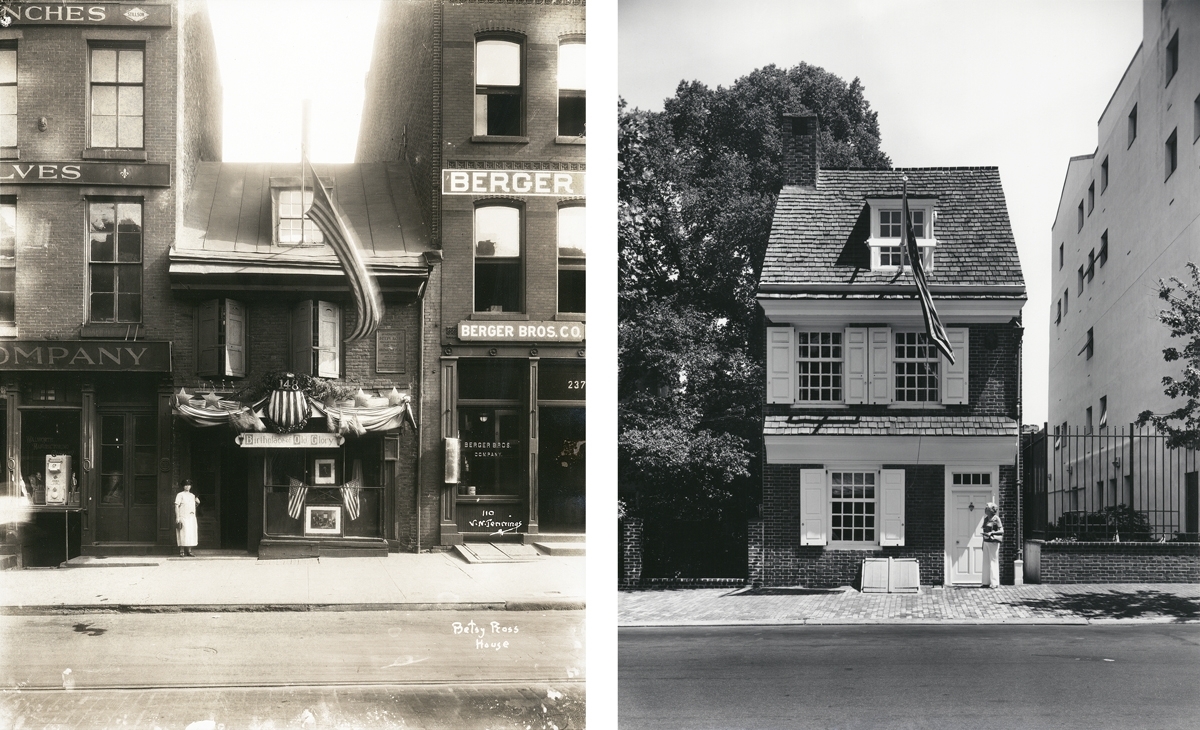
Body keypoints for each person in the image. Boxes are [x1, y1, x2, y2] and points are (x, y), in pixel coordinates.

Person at [174, 479, 199, 557]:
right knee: (183, 533)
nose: (187, 487)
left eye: (189, 485)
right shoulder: (180, 495)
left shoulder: (192, 495)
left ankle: (189, 551)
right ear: (183, 486)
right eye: (186, 485)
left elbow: (194, 505)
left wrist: (197, 502)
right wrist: (177, 517)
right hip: (183, 516)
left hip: (191, 517)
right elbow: (176, 506)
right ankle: (182, 550)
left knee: (191, 533)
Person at [981, 502, 1003, 588]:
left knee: (993, 561)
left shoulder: (996, 519)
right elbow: (984, 531)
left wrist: (992, 533)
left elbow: (1002, 531)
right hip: (986, 542)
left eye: (986, 508)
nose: (985, 509)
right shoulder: (986, 519)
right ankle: (985, 582)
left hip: (993, 542)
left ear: (990, 510)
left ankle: (995, 583)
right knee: (986, 562)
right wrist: (982, 543)